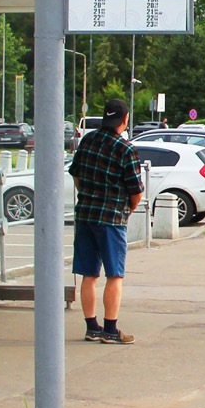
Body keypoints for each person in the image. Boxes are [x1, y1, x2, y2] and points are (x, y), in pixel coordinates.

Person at [69, 95, 146, 344]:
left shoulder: (88, 140)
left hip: (85, 214)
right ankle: (111, 330)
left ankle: (92, 326)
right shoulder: (126, 149)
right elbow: (136, 191)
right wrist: (127, 209)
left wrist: (87, 195)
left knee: (88, 274)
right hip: (111, 218)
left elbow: (76, 175)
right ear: (125, 120)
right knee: (115, 275)